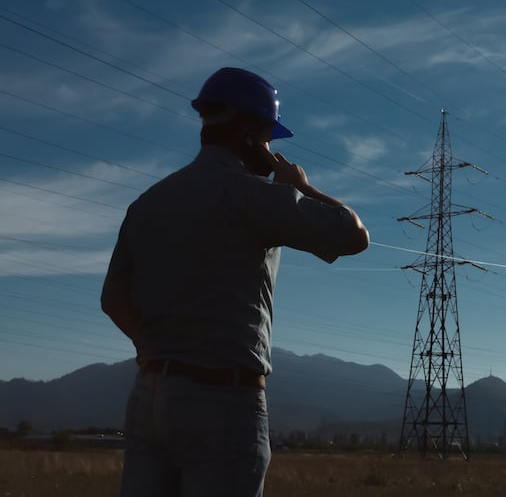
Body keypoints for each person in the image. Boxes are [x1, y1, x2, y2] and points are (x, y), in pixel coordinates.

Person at [101, 67, 369, 496]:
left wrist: (158, 352)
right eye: (268, 138)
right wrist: (301, 186)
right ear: (248, 133)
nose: (271, 150)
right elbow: (354, 236)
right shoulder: (254, 196)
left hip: (149, 395)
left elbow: (113, 299)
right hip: (223, 399)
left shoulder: (147, 203)